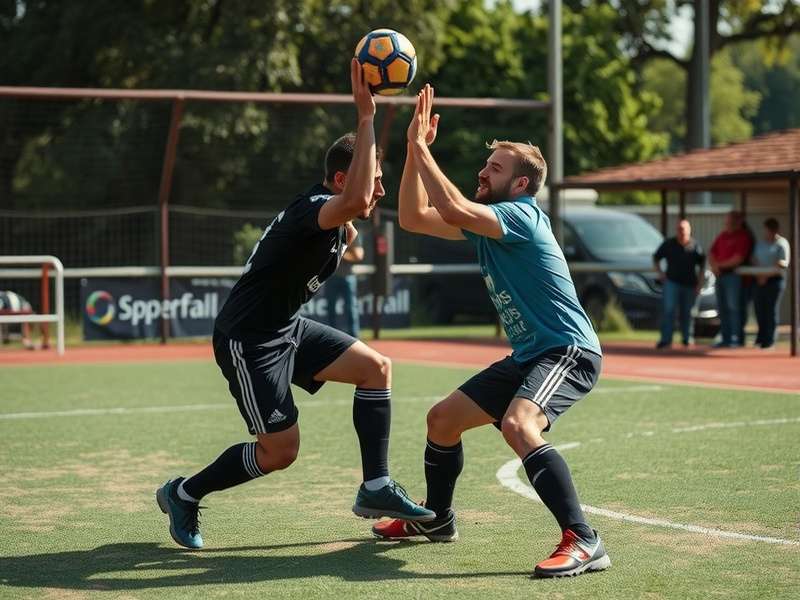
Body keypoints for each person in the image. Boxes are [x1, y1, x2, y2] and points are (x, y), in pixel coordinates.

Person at [156, 60, 435, 550]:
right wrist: (367, 118)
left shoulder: (339, 222)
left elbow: (353, 210)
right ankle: (183, 493)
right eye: (373, 179)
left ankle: (376, 487)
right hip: (250, 339)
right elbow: (350, 204)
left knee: (376, 367)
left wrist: (414, 148)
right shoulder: (314, 210)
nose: (380, 191)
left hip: (287, 327)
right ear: (341, 178)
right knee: (280, 451)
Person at [371, 85, 610, 579]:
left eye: (495, 168)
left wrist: (421, 146)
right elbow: (415, 217)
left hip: (568, 350)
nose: (483, 172)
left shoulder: (521, 216)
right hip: (531, 354)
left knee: (519, 426)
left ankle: (585, 540)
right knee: (441, 420)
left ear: (521, 185)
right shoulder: (487, 225)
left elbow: (455, 208)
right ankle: (436, 520)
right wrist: (414, 152)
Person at [652, 219, 705, 349]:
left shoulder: (695, 246)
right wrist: (661, 273)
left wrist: (700, 283)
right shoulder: (669, 244)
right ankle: (666, 339)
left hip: (689, 284)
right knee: (669, 310)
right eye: (679, 229)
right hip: (672, 283)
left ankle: (687, 338)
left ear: (689, 230)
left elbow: (703, 265)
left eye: (684, 229)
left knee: (688, 312)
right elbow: (656, 257)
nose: (681, 232)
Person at [708, 211, 752, 347]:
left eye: (731, 222)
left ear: (738, 222)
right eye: (726, 222)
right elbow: (711, 252)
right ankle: (726, 338)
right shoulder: (723, 235)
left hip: (734, 277)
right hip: (720, 276)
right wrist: (714, 266)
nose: (727, 225)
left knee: (734, 308)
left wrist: (719, 265)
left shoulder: (743, 237)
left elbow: (738, 259)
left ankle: (736, 338)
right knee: (722, 308)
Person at [752, 218, 790, 349]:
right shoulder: (760, 244)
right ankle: (761, 339)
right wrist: (760, 275)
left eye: (771, 230)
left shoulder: (781, 243)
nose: (768, 233)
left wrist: (766, 276)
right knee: (759, 310)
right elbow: (754, 259)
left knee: (771, 311)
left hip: (774, 281)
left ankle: (770, 340)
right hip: (759, 280)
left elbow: (782, 263)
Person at [322, 225, 363, 337]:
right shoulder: (329, 232)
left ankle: (354, 337)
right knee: (330, 309)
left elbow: (358, 255)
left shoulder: (352, 233)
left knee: (351, 308)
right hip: (330, 276)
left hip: (348, 277)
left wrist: (340, 254)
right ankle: (331, 337)